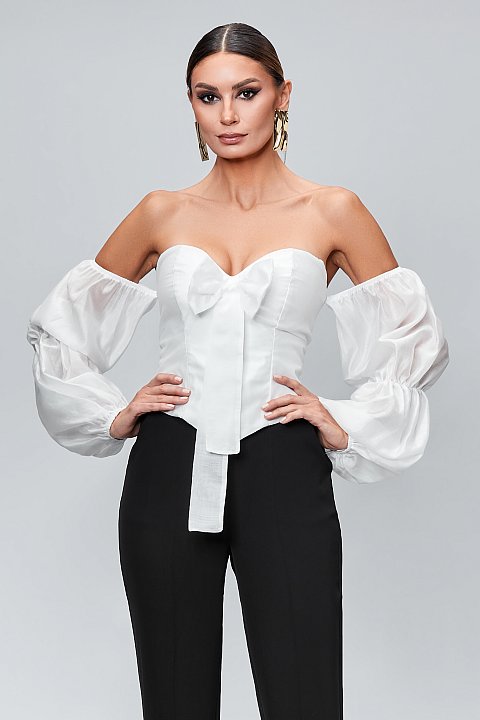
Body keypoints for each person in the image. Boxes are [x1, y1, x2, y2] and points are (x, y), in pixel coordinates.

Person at [26, 22, 449, 720]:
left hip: (282, 462)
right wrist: (114, 414)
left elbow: (412, 346)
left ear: (283, 95)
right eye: (208, 96)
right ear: (191, 103)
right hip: (169, 464)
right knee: (174, 700)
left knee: (305, 697)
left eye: (246, 93)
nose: (227, 114)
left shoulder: (333, 210)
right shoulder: (161, 212)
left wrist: (343, 420)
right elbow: (60, 332)